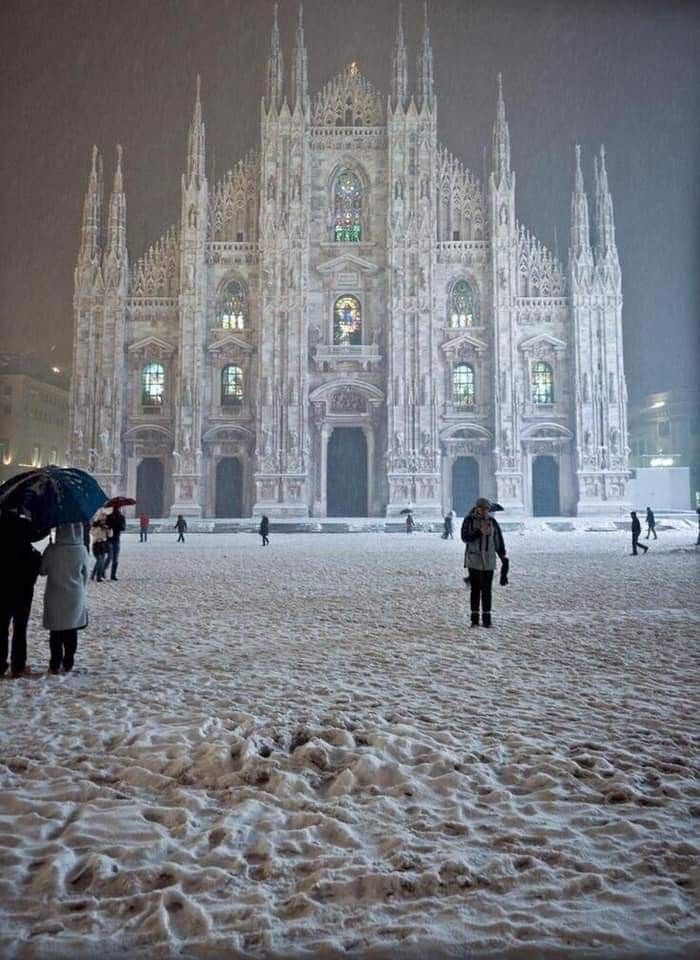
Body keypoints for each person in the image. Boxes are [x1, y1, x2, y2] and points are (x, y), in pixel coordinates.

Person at [40, 522, 89, 674]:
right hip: (75, 595)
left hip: (55, 595)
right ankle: (68, 661)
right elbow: (85, 575)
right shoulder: (82, 550)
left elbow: (42, 571)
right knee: (71, 631)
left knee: (55, 633)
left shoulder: (53, 549)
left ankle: (54, 663)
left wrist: (48, 551)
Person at [0, 512, 42, 678]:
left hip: (2, 590)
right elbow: (36, 570)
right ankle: (18, 666)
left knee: (1, 628)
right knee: (20, 628)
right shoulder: (29, 551)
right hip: (23, 592)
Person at [461, 496, 508, 628]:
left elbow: (498, 540)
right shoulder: (469, 521)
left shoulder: (492, 522)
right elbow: (465, 538)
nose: (485, 511)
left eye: (487, 509)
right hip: (474, 560)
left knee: (487, 590)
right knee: (475, 590)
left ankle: (487, 620)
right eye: (482, 508)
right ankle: (474, 620)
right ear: (477, 508)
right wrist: (478, 532)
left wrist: (503, 556)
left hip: (489, 560)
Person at [104, 506, 126, 580]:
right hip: (110, 539)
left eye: (118, 508)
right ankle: (102, 571)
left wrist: (117, 524)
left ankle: (113, 575)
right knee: (110, 557)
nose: (117, 510)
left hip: (116, 538)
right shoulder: (109, 517)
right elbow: (106, 526)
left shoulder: (121, 517)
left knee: (115, 558)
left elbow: (123, 527)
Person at [89, 513, 110, 582]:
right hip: (96, 544)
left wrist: (108, 529)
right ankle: (98, 576)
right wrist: (99, 528)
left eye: (104, 520)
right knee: (99, 560)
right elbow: (93, 533)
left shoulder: (105, 526)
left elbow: (110, 535)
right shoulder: (95, 526)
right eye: (102, 520)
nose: (103, 521)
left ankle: (94, 575)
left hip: (103, 544)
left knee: (101, 561)